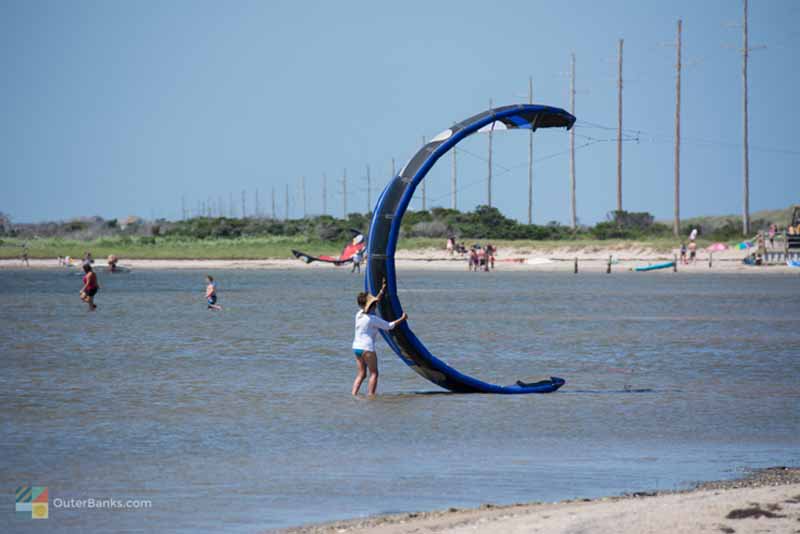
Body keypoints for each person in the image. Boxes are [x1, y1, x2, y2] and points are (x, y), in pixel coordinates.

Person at [351, 279, 408, 396]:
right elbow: (389, 326)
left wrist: (382, 291)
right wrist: (402, 319)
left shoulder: (359, 315)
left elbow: (374, 301)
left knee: (361, 374)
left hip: (356, 348)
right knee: (374, 373)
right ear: (371, 305)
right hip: (367, 349)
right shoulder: (373, 319)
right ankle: (371, 396)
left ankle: (353, 395)